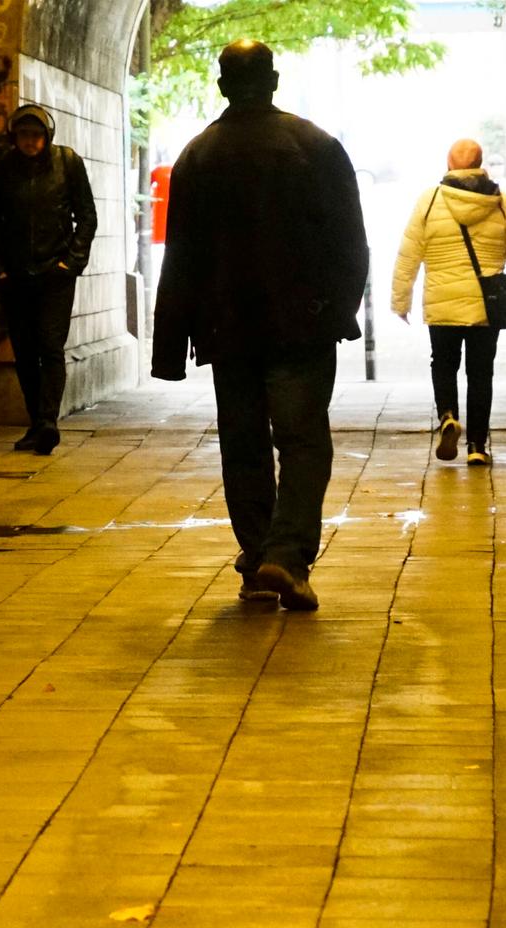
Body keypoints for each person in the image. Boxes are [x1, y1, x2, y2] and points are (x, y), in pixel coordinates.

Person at [150, 40, 368, 612]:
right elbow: (350, 241)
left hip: (227, 330)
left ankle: (256, 557)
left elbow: (182, 257)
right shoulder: (315, 146)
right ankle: (286, 555)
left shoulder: (198, 155)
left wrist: (170, 347)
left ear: (222, 85)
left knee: (242, 444)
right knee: (301, 441)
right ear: (272, 80)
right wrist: (340, 311)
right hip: (302, 324)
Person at [390, 139, 506, 467]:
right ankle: (477, 446)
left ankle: (448, 418)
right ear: (481, 162)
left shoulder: (429, 202)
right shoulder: (501, 203)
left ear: (448, 163)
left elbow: (408, 254)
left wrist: (401, 300)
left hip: (442, 303)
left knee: (443, 364)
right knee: (481, 373)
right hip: (487, 305)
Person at [0, 103, 98, 455]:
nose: (30, 142)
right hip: (15, 276)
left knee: (50, 347)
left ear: (47, 137)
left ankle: (48, 422)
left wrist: (71, 263)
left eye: (36, 135)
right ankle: (36, 422)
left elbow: (87, 217)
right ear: (14, 137)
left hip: (54, 274)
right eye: (23, 135)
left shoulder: (67, 163)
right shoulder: (2, 168)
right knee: (25, 353)